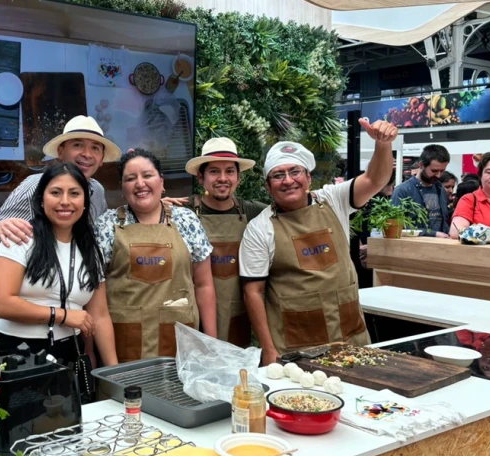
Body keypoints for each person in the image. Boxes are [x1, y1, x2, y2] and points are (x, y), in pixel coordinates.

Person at [239, 119, 398, 366]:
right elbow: (253, 292)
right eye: (278, 175)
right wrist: (269, 350)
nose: (288, 180)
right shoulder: (260, 228)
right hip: (296, 346)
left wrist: (383, 145)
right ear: (268, 187)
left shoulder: (335, 200)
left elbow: (375, 180)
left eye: (295, 172)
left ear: (308, 178)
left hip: (350, 337)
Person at [0, 163, 118, 378]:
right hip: (15, 353)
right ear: (41, 199)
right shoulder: (21, 237)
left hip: (70, 353)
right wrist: (62, 316)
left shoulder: (90, 248)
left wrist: (114, 372)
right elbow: (2, 303)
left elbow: (100, 315)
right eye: (56, 193)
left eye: (75, 193)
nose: (65, 201)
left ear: (85, 202)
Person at [94, 149, 216, 363]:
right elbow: (96, 301)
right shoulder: (106, 226)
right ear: (123, 188)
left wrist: (212, 344)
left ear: (161, 181)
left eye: (147, 175)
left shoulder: (187, 221)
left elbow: (204, 285)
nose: (140, 183)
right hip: (124, 347)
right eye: (130, 179)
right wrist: (110, 367)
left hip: (181, 346)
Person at [0, 115, 122, 255]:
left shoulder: (97, 190)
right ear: (60, 151)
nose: (87, 154)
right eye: (77, 145)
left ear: (102, 158)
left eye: (95, 148)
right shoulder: (37, 184)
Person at [184, 138, 265, 347]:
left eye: (230, 171)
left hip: (237, 314)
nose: (223, 178)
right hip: (195, 316)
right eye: (214, 172)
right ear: (200, 177)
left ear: (238, 177)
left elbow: (291, 210)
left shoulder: (252, 211)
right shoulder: (184, 212)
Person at [391, 145, 451, 238]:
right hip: (413, 248)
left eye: (442, 171)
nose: (438, 175)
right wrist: (432, 233)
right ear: (421, 165)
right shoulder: (403, 190)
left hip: (440, 246)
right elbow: (395, 227)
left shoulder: (440, 189)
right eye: (434, 171)